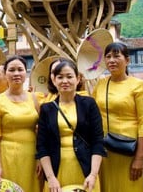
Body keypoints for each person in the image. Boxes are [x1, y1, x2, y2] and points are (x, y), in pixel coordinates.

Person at [36, 59, 105, 192]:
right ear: (54, 80)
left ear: (78, 79)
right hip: (56, 171)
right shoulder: (46, 109)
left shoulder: (89, 104)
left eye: (69, 76)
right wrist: (50, 177)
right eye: (60, 77)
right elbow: (42, 146)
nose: (65, 81)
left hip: (85, 170)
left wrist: (93, 174)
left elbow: (97, 141)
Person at [92, 43, 143, 192]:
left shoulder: (138, 85)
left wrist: (139, 157)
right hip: (104, 147)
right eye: (108, 57)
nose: (112, 60)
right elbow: (92, 113)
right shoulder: (101, 83)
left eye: (117, 56)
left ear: (127, 60)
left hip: (128, 148)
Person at [0, 55, 41, 191]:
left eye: (20, 69)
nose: (16, 73)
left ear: (26, 72)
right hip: (8, 156)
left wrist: (41, 157)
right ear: (6, 74)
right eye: (11, 70)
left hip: (32, 155)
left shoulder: (34, 98)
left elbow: (40, 130)